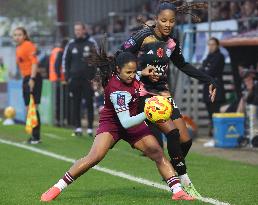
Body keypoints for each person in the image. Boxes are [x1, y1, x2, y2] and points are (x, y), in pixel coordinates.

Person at [40, 51, 194, 202]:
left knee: (157, 152)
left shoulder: (130, 76)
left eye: (134, 71)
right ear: (118, 70)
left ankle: (178, 191)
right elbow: (125, 122)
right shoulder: (118, 91)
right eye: (129, 72)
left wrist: (142, 72)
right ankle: (57, 187)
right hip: (113, 124)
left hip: (133, 122)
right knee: (94, 157)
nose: (132, 75)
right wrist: (148, 112)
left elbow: (133, 77)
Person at [119, 0, 217, 197]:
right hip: (144, 93)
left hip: (163, 93)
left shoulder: (172, 41)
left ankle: (170, 172)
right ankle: (184, 182)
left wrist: (209, 79)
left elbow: (182, 64)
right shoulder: (143, 35)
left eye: (171, 21)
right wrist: (140, 71)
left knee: (186, 141)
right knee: (171, 135)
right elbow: (120, 56)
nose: (167, 24)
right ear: (156, 19)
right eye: (163, 20)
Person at [62, 22, 98, 137]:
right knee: (76, 103)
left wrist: (96, 78)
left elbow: (97, 60)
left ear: (84, 30)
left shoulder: (91, 43)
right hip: (74, 79)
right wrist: (67, 77)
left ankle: (89, 129)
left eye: (79, 29)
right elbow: (65, 62)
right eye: (75, 30)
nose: (77, 32)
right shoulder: (70, 44)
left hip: (88, 79)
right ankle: (77, 127)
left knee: (89, 103)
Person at [13, 27, 42, 144]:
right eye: (15, 35)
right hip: (26, 78)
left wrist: (32, 78)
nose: (17, 37)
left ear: (24, 35)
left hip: (32, 77)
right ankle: (34, 136)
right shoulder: (18, 48)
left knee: (33, 106)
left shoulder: (28, 45)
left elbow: (34, 62)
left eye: (19, 34)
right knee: (29, 107)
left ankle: (36, 136)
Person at [200, 37, 225, 147]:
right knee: (210, 114)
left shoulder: (220, 56)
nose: (211, 46)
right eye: (209, 44)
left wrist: (205, 70)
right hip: (207, 88)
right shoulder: (208, 57)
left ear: (217, 45)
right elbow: (201, 72)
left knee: (216, 114)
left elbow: (211, 71)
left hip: (216, 89)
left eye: (213, 44)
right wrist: (205, 70)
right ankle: (213, 137)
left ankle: (217, 138)